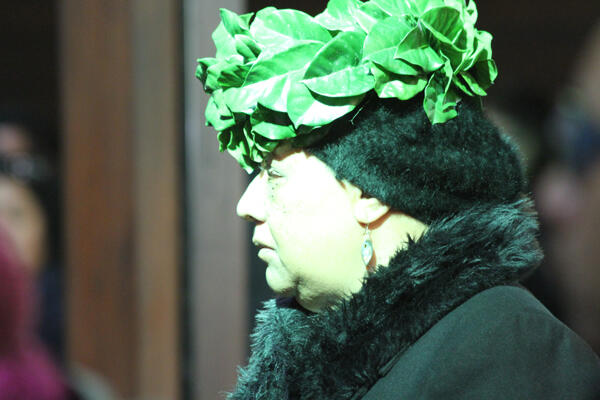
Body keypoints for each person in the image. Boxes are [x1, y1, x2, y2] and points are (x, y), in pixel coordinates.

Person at [196, 0, 600, 398]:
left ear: (370, 193)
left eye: (274, 174)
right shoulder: (343, 354)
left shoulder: (514, 354)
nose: (245, 206)